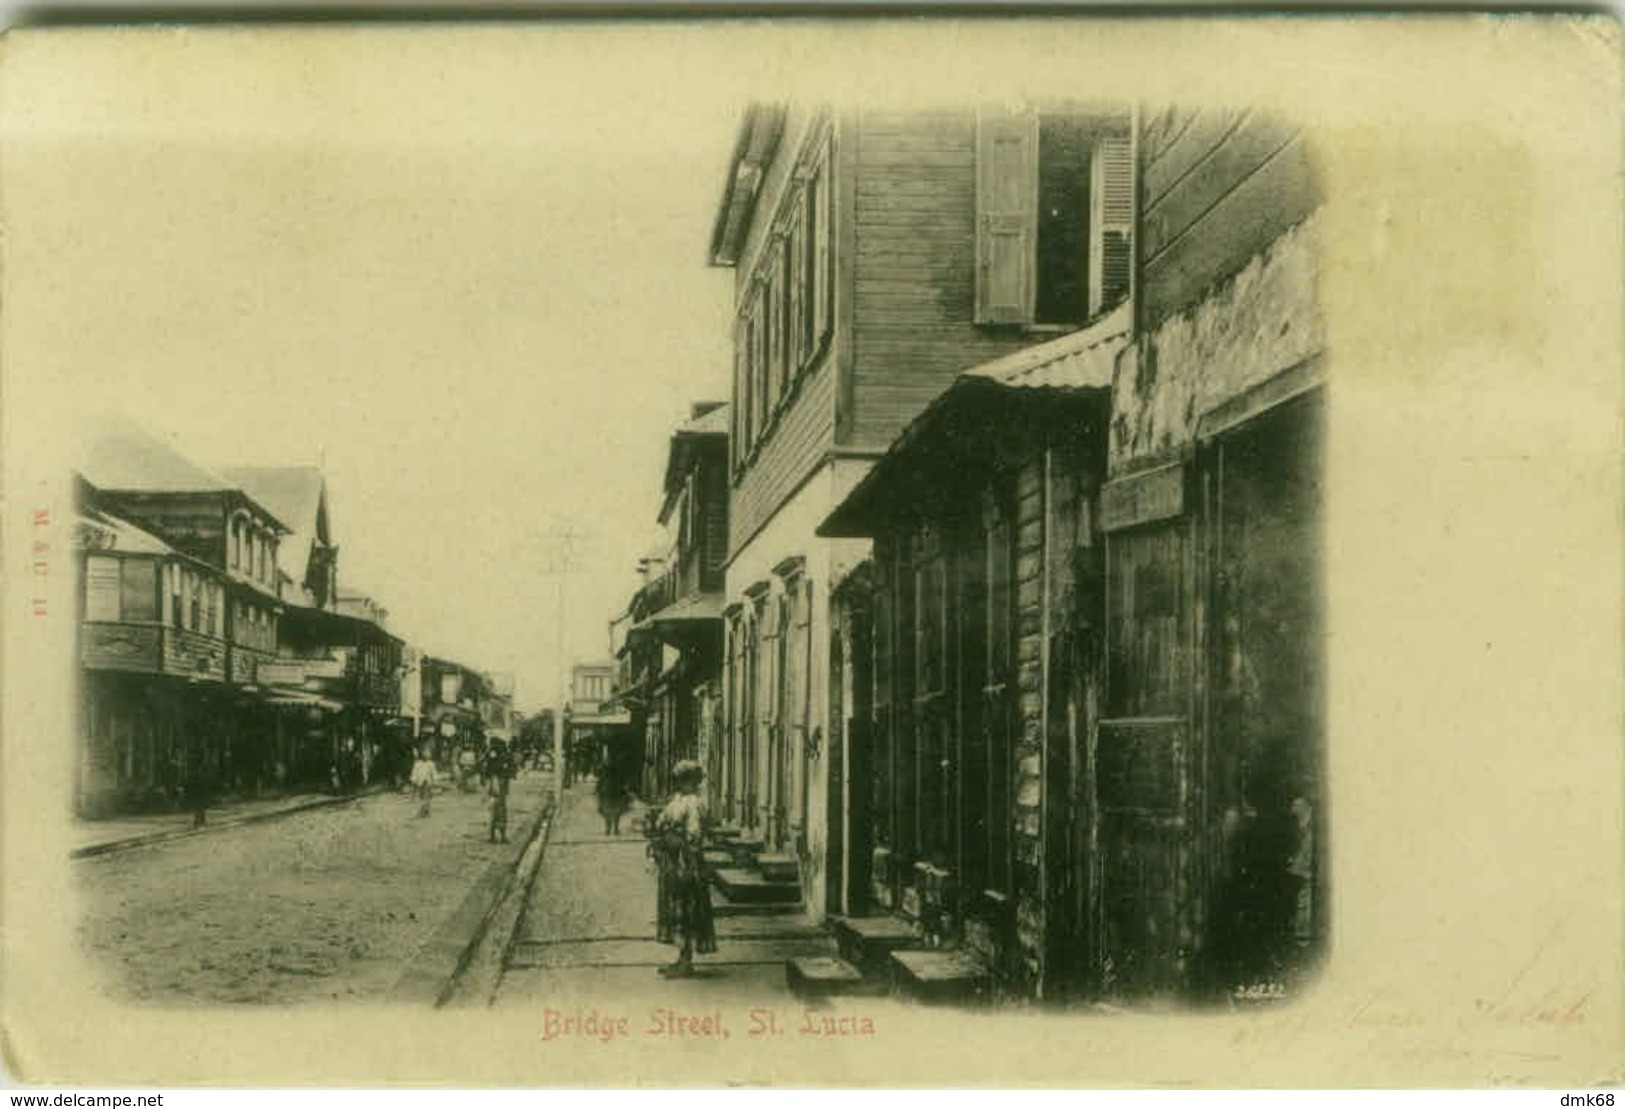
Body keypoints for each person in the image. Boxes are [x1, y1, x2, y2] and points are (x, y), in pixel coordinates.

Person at [647, 760, 717, 978]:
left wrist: (671, 841)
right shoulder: (678, 800)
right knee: (675, 908)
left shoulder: (694, 803)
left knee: (686, 910)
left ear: (692, 781)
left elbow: (694, 836)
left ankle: (686, 962)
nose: (679, 783)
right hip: (672, 862)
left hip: (686, 863)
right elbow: (662, 823)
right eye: (678, 779)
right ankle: (681, 958)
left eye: (683, 779)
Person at [483, 739, 516, 844]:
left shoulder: (493, 755)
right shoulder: (506, 755)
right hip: (501, 785)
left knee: (495, 809)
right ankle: (501, 835)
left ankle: (494, 835)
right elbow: (512, 771)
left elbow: (488, 771)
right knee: (501, 809)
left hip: (496, 784)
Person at [596, 748, 631, 836]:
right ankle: (615, 828)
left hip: (607, 789)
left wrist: (599, 788)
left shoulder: (604, 766)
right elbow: (622, 777)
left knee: (607, 810)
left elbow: (600, 777)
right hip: (615, 789)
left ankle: (608, 829)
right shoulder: (619, 765)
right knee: (616, 810)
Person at [410, 746, 437, 818]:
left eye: (429, 753)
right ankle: (426, 811)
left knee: (427, 797)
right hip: (420, 783)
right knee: (422, 797)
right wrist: (414, 782)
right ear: (421, 753)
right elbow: (414, 774)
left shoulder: (431, 764)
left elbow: (434, 773)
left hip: (428, 782)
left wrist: (435, 781)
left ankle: (423, 811)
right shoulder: (417, 764)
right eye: (426, 752)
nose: (428, 754)